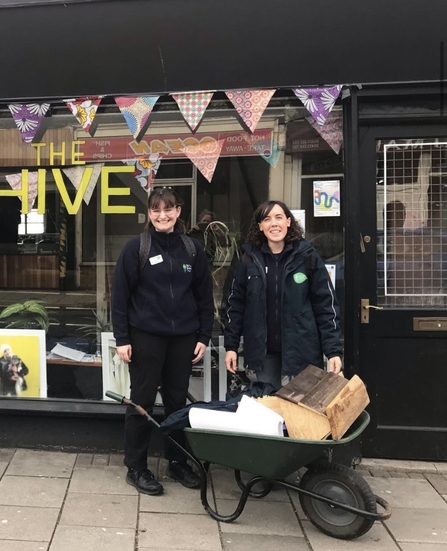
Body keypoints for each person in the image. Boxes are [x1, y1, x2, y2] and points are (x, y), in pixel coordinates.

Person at [111, 188, 214, 496]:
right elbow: (120, 297)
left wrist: (204, 335)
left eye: (168, 209)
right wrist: (122, 338)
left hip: (183, 339)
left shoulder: (192, 249)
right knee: (141, 402)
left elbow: (204, 297)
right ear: (150, 214)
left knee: (176, 403)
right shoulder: (136, 248)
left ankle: (177, 462)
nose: (162, 215)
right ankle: (136, 467)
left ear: (178, 211)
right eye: (156, 210)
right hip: (146, 338)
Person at [224, 200, 343, 390]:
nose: (274, 223)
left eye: (279, 217)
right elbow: (235, 306)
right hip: (263, 356)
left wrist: (333, 351)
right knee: (268, 412)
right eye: (267, 219)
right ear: (260, 226)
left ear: (288, 221)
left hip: (302, 354)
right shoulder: (248, 260)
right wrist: (231, 346)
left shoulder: (307, 257)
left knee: (301, 413)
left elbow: (326, 306)